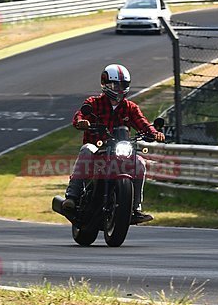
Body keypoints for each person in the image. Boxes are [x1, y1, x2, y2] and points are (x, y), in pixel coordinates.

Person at [61, 63, 165, 225]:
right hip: (98, 148)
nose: (118, 88)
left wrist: (154, 133)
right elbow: (80, 115)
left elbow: (143, 123)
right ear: (105, 83)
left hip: (120, 149)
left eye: (122, 85)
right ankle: (73, 196)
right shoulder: (93, 103)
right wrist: (81, 122)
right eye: (115, 84)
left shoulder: (130, 107)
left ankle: (135, 208)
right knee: (86, 149)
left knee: (140, 163)